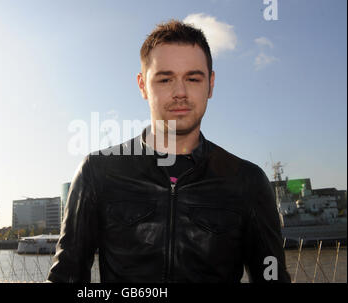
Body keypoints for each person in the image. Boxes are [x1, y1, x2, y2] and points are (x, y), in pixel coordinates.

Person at [47, 20, 291, 283]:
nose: (180, 93)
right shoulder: (97, 173)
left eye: (193, 78)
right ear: (142, 85)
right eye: (165, 79)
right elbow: (66, 277)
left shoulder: (248, 181)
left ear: (211, 84)